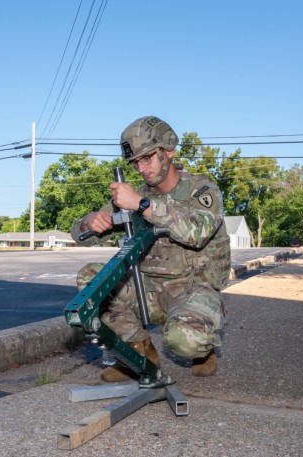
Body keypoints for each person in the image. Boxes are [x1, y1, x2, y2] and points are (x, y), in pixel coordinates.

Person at [71, 115, 231, 380]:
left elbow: (197, 233)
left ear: (168, 151)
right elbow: (79, 235)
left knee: (185, 340)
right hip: (148, 290)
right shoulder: (134, 196)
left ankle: (203, 350)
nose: (142, 168)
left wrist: (142, 205)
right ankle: (139, 352)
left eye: (148, 158)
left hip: (193, 290)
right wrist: (89, 223)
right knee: (91, 278)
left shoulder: (201, 189)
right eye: (136, 162)